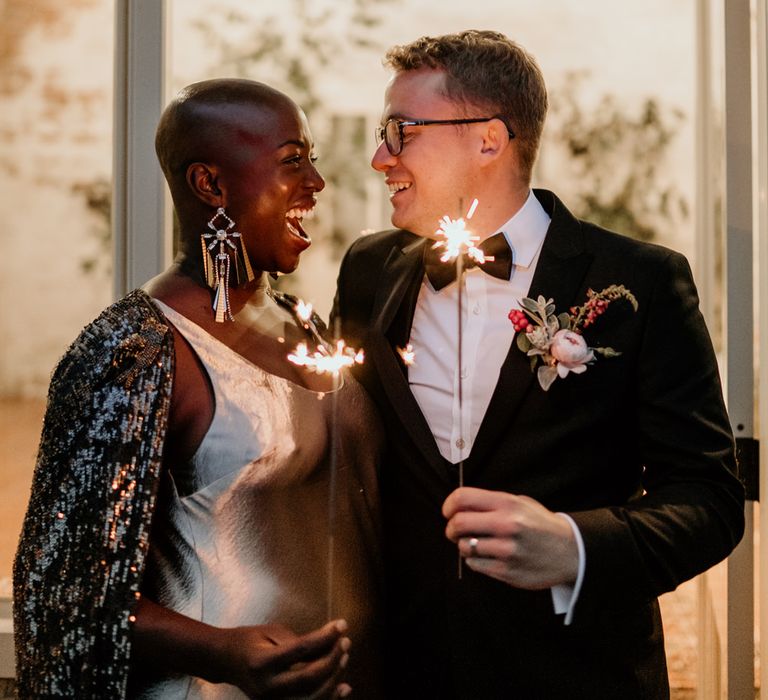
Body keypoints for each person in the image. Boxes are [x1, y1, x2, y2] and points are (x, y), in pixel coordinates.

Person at [332, 30, 745, 699]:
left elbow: (710, 500)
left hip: (577, 676)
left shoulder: (638, 283)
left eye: (401, 130)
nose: (381, 157)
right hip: (402, 676)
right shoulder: (368, 271)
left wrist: (575, 546)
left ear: (488, 139)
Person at [13, 79, 383, 699]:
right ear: (211, 185)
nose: (317, 182)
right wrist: (220, 652)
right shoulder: (135, 350)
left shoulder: (302, 321)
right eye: (293, 160)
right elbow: (65, 587)